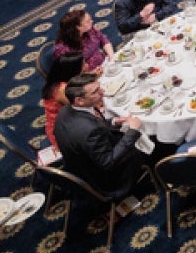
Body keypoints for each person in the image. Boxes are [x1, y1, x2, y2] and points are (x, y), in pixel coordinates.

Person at [54, 72, 149, 200]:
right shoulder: (89, 131)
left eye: (100, 87)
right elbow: (108, 162)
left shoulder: (65, 110)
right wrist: (133, 131)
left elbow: (93, 125)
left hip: (82, 165)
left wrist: (113, 122)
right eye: (95, 92)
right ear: (79, 100)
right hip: (108, 181)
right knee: (147, 144)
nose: (102, 92)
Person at [41, 51, 84, 150]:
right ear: (73, 71)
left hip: (68, 119)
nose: (87, 66)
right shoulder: (63, 90)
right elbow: (83, 106)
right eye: (83, 65)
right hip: (62, 130)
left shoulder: (60, 80)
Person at [53, 8, 114, 72]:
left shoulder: (89, 30)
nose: (92, 21)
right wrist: (91, 73)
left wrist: (112, 58)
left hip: (104, 64)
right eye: (88, 21)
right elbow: (70, 73)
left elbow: (104, 41)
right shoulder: (62, 49)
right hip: (88, 77)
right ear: (78, 27)